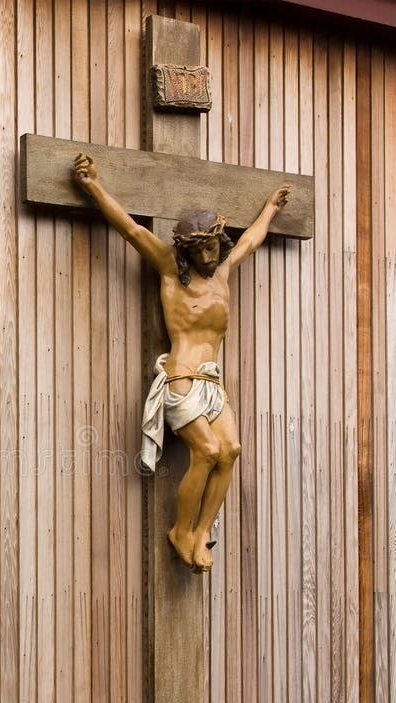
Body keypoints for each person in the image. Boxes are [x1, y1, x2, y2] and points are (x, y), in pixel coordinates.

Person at [73, 152, 290, 572]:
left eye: (213, 247)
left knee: (231, 450)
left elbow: (250, 241)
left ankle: (199, 532)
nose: (210, 256)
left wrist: (270, 209)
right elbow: (133, 231)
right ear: (187, 252)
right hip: (181, 382)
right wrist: (93, 184)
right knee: (207, 451)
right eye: (202, 250)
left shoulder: (223, 275)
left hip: (211, 384)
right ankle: (180, 530)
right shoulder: (172, 272)